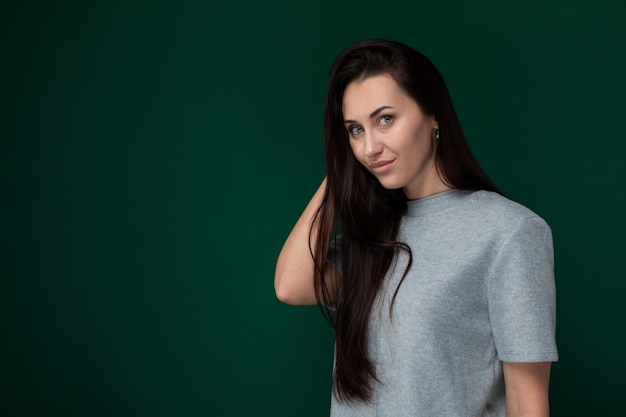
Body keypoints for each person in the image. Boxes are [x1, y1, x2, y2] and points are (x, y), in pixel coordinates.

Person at [274, 39, 557, 417]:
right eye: (355, 130)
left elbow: (528, 403)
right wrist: (340, 171)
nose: (369, 147)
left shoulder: (509, 231)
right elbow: (291, 287)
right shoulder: (372, 232)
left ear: (433, 115)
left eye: (385, 119)